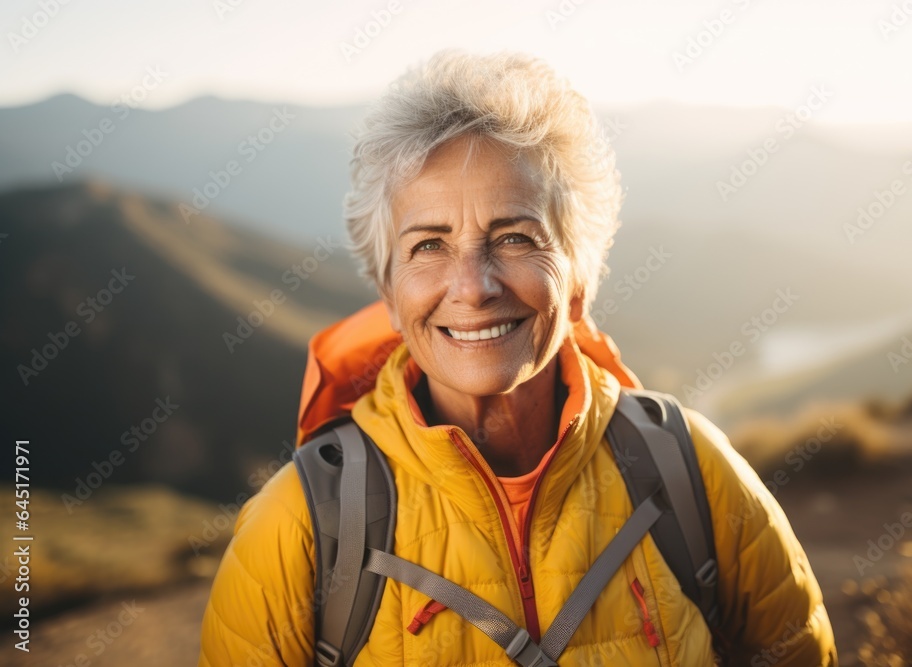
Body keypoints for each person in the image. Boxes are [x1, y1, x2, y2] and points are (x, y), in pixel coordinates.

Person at [199, 50, 838, 666]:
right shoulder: (300, 524)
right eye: (429, 246)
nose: (473, 285)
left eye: (514, 237)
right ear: (389, 295)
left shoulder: (691, 471)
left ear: (580, 279)